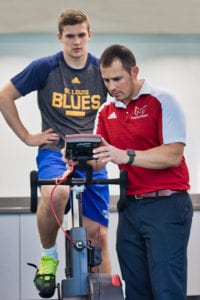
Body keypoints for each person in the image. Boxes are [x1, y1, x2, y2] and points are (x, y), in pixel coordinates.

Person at [0, 9, 111, 298]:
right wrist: (27, 137)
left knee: (97, 237)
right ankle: (49, 256)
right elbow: (4, 96)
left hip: (93, 155)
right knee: (56, 194)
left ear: (90, 34)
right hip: (55, 151)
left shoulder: (101, 69)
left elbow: (124, 101)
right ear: (60, 37)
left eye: (81, 35)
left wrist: (112, 146)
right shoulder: (45, 67)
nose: (76, 42)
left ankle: (102, 292)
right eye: (70, 36)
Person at [91, 44, 193, 300]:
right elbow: (99, 157)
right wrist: (76, 157)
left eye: (117, 78)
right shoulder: (106, 111)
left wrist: (126, 155)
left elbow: (173, 154)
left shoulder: (162, 100)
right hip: (130, 209)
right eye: (106, 80)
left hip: (166, 205)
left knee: (166, 290)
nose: (111, 86)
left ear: (134, 71)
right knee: (136, 291)